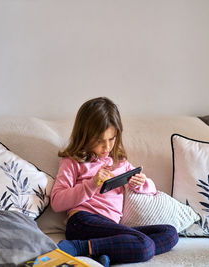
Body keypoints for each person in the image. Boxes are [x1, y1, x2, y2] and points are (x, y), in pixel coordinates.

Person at [50, 97, 178, 266]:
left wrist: (142, 183)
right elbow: (57, 202)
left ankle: (101, 252)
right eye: (99, 141)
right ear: (85, 136)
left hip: (110, 228)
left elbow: (152, 190)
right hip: (83, 222)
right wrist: (91, 184)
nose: (107, 147)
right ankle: (78, 246)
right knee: (145, 245)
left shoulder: (121, 163)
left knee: (170, 233)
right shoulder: (73, 161)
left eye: (112, 139)